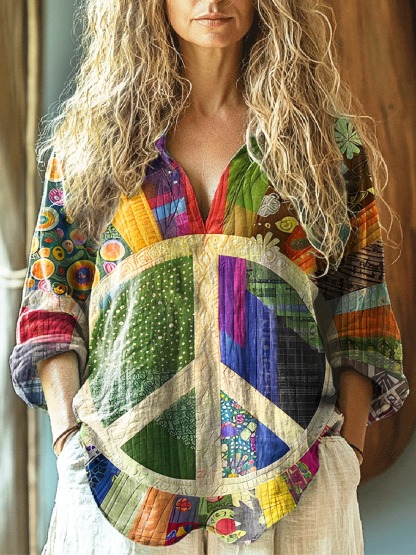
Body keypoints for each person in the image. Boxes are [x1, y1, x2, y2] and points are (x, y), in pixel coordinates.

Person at [10, 0, 409, 553]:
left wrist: (349, 454)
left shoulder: (321, 144)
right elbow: (51, 306)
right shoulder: (94, 140)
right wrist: (68, 444)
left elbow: (362, 309)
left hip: (290, 490)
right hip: (120, 492)